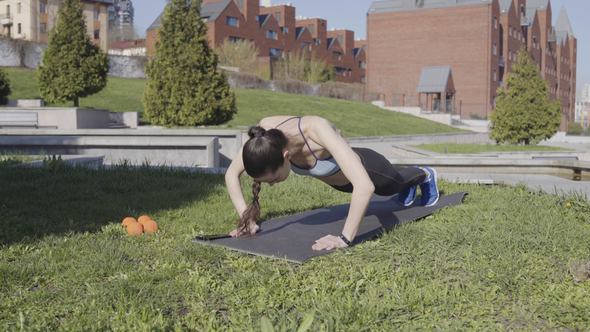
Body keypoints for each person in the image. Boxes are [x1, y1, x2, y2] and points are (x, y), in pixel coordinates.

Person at [225, 115, 439, 251]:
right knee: (395, 188)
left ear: (286, 155)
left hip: (370, 170)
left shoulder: (316, 130)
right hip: (340, 182)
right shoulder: (263, 139)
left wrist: (344, 239)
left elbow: (364, 187)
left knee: (395, 185)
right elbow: (231, 175)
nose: (272, 185)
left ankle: (424, 174)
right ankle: (410, 185)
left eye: (273, 179)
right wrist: (247, 220)